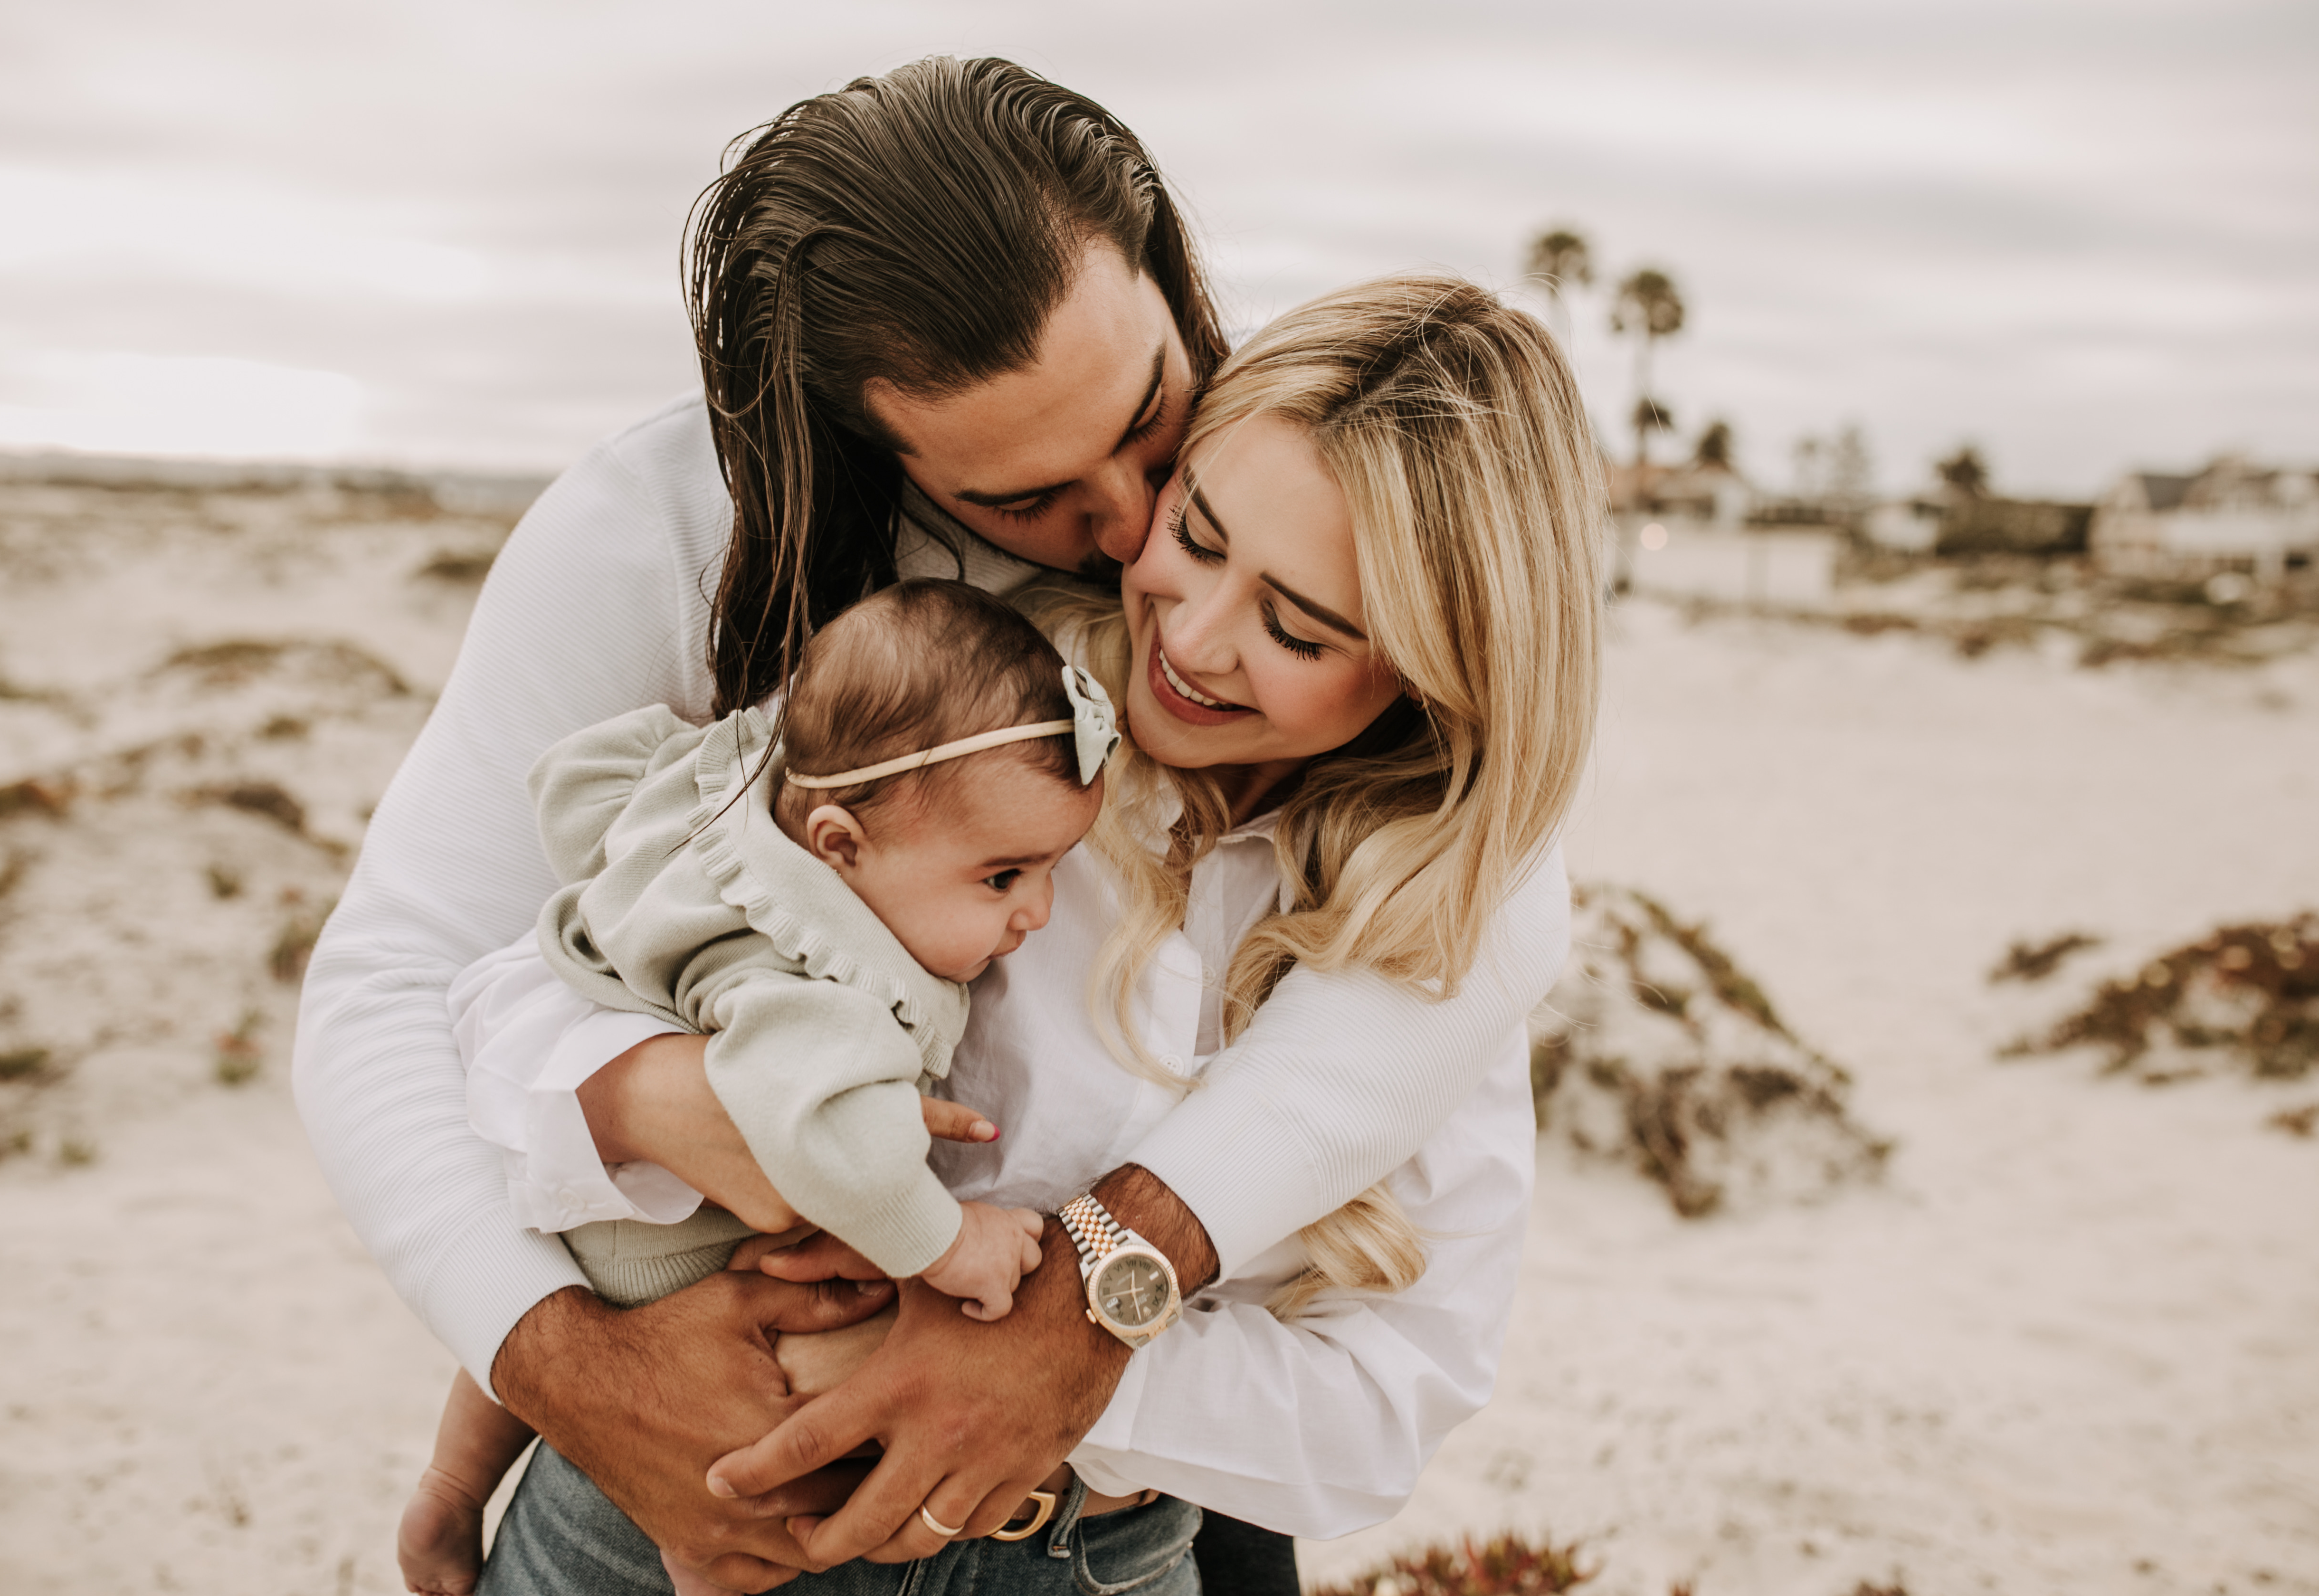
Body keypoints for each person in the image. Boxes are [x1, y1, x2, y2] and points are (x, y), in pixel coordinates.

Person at [290, 57, 1575, 1596]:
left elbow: (1478, 917)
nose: (1130, 539)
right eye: (1026, 497)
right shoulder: (762, 596)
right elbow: (443, 988)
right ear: (879, 463)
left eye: (1158, 422)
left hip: (1105, 1516)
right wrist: (556, 1341)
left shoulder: (1354, 718)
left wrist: (1083, 1324)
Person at [396, 581, 1112, 1595]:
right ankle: (700, 1561)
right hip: (689, 1263)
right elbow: (831, 1141)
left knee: (527, 1329)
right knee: (752, 1473)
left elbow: (577, 779)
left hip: (589, 1240)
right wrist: (956, 1244)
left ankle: (448, 1486)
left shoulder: (718, 814)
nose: (1036, 909)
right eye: (1003, 877)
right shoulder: (820, 989)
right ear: (839, 846)